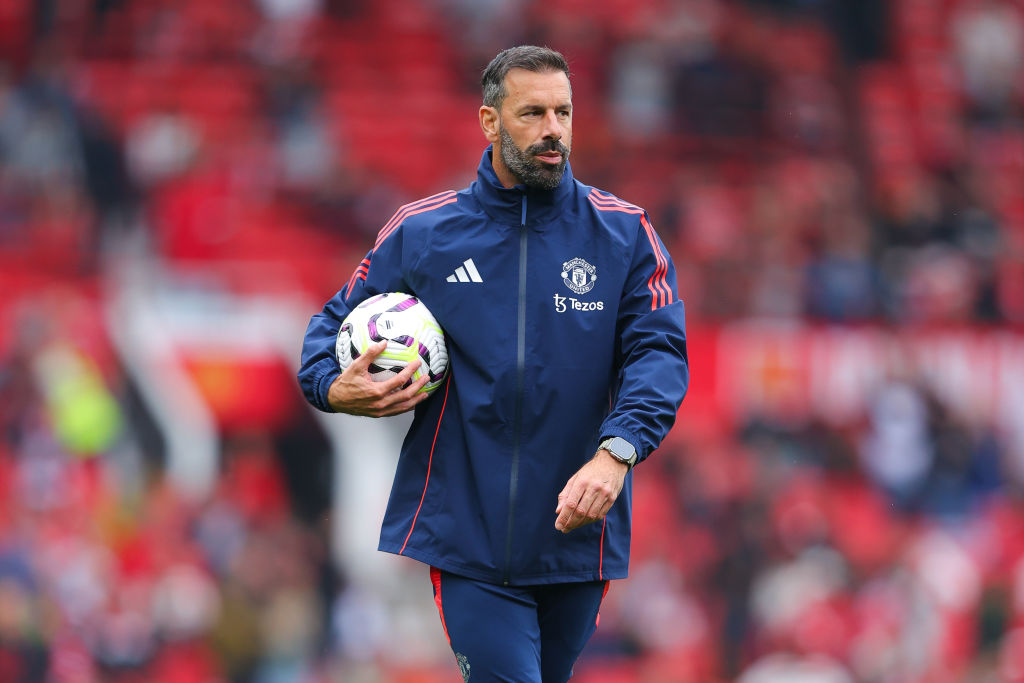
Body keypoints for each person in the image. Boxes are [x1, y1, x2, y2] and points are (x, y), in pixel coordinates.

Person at [298, 45, 689, 682]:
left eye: (563, 112)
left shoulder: (625, 234)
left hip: (577, 531)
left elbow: (659, 351)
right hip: (468, 535)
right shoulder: (423, 233)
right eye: (532, 113)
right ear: (489, 122)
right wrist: (329, 387)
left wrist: (616, 453)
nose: (553, 130)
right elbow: (331, 324)